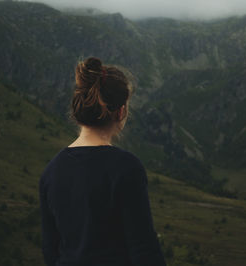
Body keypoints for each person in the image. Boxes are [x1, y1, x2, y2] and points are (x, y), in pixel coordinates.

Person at [38, 57, 167, 266]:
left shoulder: (51, 172)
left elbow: (50, 249)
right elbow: (144, 249)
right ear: (121, 112)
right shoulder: (126, 168)